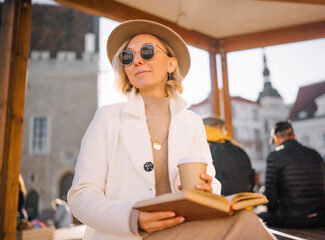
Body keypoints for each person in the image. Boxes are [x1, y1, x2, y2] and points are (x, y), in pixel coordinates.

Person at [68, 19, 275, 240]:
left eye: (147, 52)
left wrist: (207, 191)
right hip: (125, 235)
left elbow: (212, 183)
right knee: (246, 223)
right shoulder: (107, 117)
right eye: (127, 57)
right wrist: (132, 218)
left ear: (171, 64)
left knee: (244, 221)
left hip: (183, 230)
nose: (136, 60)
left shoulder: (193, 122)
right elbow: (80, 196)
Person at [258, 121, 325, 228]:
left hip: (292, 219)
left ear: (276, 138)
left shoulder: (275, 156)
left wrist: (272, 209)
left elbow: (270, 197)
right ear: (294, 136)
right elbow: (324, 186)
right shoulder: (315, 154)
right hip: (320, 218)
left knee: (255, 217)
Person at [203, 115, 255, 195]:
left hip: (216, 201)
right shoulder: (237, 146)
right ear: (218, 127)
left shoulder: (201, 146)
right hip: (243, 200)